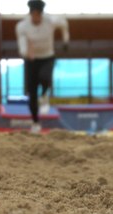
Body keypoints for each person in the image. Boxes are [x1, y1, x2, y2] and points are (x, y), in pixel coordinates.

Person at [16, 0, 69, 133]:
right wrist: (26, 53)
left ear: (41, 14)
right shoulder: (22, 26)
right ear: (30, 14)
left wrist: (65, 41)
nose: (36, 17)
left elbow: (64, 23)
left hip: (47, 57)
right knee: (31, 92)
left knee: (45, 77)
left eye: (38, 14)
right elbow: (22, 45)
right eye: (33, 14)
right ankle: (35, 122)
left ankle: (45, 95)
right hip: (31, 59)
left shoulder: (50, 21)